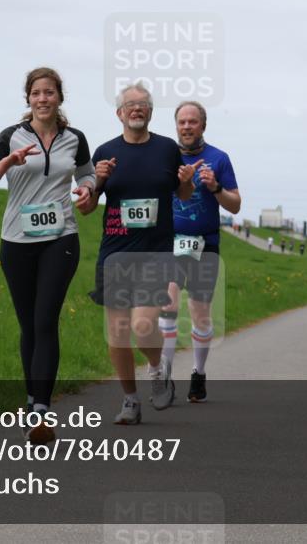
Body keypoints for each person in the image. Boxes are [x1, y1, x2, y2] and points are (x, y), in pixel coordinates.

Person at [0, 67, 95, 444]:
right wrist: (8, 162)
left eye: (49, 92)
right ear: (28, 98)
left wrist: (88, 189)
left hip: (61, 237)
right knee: (28, 325)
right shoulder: (11, 136)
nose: (43, 99)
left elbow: (86, 175)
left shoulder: (75, 139)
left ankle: (41, 410)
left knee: (45, 321)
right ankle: (31, 401)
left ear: (60, 97)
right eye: (36, 93)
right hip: (17, 241)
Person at [81, 83, 199, 424]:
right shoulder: (105, 152)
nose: (137, 108)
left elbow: (184, 194)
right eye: (130, 104)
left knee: (143, 325)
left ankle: (157, 368)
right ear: (119, 113)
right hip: (115, 253)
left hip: (156, 253)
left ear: (150, 112)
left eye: (143, 104)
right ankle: (130, 400)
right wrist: (96, 182)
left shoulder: (166, 149)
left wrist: (187, 180)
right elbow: (86, 207)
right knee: (118, 332)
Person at [157, 101, 241, 404]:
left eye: (192, 122)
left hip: (205, 243)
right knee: (167, 305)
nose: (187, 127)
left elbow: (235, 205)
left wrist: (215, 187)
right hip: (170, 242)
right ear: (176, 126)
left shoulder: (219, 158)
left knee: (199, 312)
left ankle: (198, 372)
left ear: (203, 125)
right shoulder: (165, 156)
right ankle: (164, 377)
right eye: (182, 122)